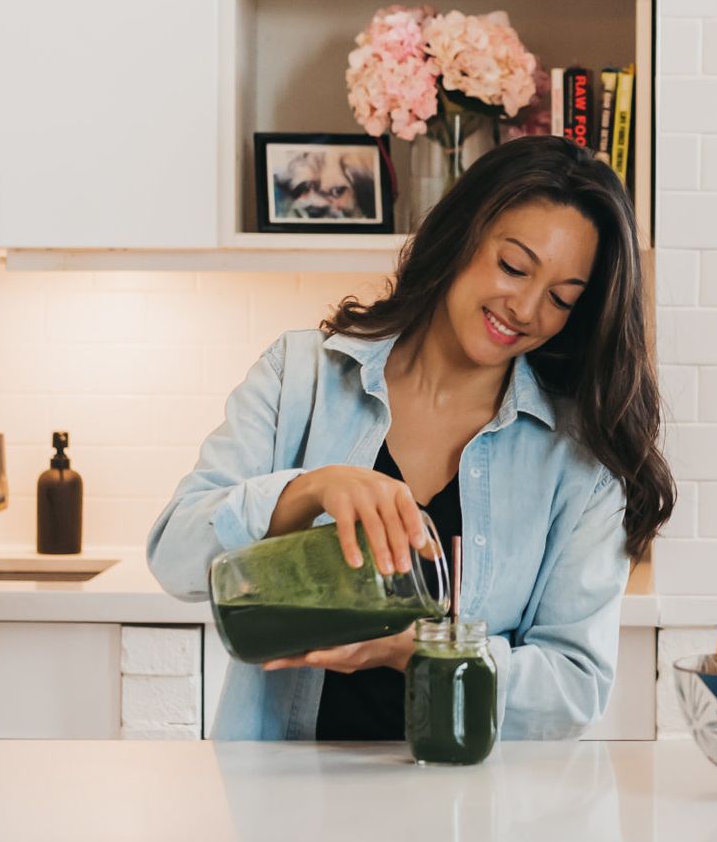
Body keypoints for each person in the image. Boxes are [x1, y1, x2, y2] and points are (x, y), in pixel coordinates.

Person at [148, 136, 674, 742]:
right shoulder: (301, 377)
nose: (526, 308)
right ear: (461, 236)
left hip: (471, 818)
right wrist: (311, 488)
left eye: (560, 299)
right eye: (512, 266)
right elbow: (176, 559)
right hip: (280, 806)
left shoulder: (578, 460)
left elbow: (574, 687)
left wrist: (417, 648)